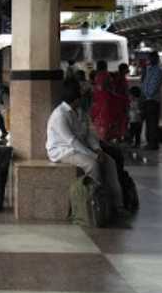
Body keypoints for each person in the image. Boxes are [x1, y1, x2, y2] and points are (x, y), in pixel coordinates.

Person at [46, 79, 124, 212]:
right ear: (75, 98)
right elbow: (72, 142)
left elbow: (89, 134)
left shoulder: (80, 111)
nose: (83, 98)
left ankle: (118, 204)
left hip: (81, 148)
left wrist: (98, 150)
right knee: (92, 165)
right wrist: (93, 156)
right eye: (80, 95)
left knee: (110, 162)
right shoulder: (60, 115)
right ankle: (96, 204)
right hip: (63, 151)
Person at [141, 51, 162, 150]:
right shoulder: (148, 70)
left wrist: (147, 94)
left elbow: (153, 87)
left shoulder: (158, 71)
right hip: (147, 99)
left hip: (152, 100)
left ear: (156, 59)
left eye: (151, 58)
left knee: (152, 123)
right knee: (149, 123)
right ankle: (150, 142)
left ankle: (153, 143)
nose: (149, 60)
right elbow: (144, 83)